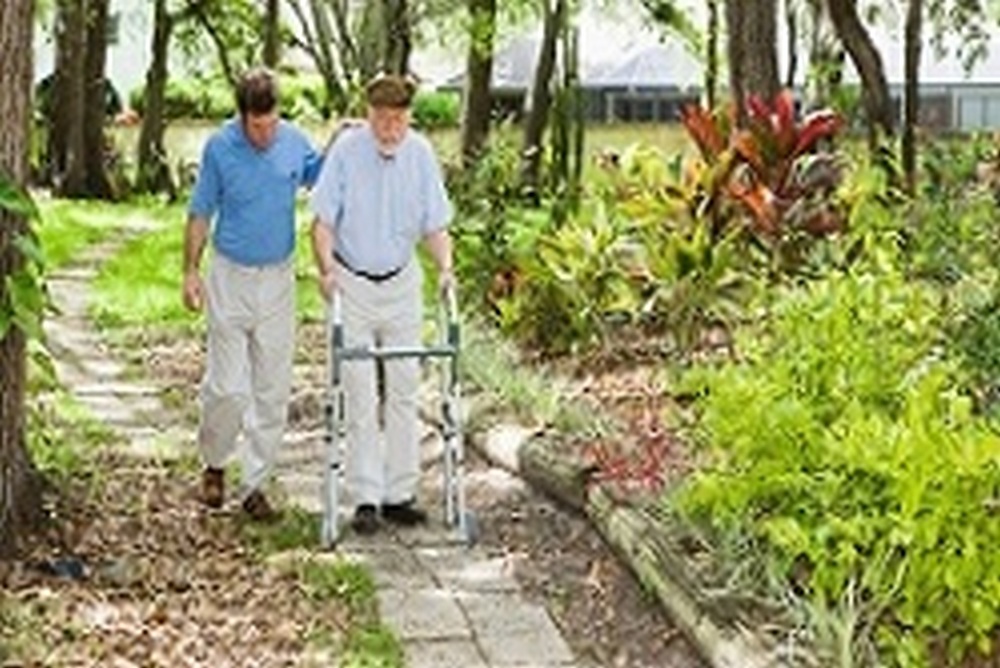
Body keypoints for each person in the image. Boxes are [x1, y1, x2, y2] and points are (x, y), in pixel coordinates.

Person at [309, 72, 455, 535]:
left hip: (400, 282)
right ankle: (365, 497)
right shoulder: (348, 152)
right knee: (359, 388)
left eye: (398, 119)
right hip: (352, 281)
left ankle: (399, 493)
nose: (389, 128)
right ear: (369, 114)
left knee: (404, 385)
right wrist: (326, 269)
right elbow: (322, 222)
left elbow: (435, 225)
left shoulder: (421, 153)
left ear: (409, 117)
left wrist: (446, 268)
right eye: (381, 118)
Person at [183, 67, 324, 521]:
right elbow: (201, 213)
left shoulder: (294, 141)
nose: (264, 133)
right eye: (256, 125)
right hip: (230, 275)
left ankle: (255, 485)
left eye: (271, 123)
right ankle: (214, 465)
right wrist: (190, 271)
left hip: (278, 278)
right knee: (226, 387)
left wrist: (343, 140)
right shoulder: (220, 148)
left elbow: (321, 177)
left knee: (272, 388)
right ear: (241, 116)